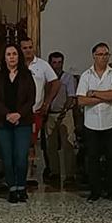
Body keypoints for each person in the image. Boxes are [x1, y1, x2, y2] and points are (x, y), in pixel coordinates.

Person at [0, 44, 37, 203]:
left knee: (21, 156)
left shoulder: (27, 75)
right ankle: (12, 188)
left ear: (19, 57)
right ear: (4, 57)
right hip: (3, 123)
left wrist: (18, 114)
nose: (12, 57)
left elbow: (31, 98)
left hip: (22, 122)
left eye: (14, 54)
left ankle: (21, 186)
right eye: (8, 54)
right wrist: (7, 114)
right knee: (8, 157)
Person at [76, 42, 112, 202]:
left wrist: (94, 93)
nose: (103, 57)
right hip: (92, 123)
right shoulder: (86, 75)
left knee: (111, 158)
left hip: (111, 122)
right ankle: (95, 191)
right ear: (94, 56)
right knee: (93, 159)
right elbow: (81, 100)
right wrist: (103, 98)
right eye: (100, 54)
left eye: (106, 54)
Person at [20, 38, 59, 178]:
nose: (28, 50)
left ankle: (30, 175)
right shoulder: (16, 64)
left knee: (31, 143)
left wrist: (47, 103)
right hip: (18, 112)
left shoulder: (42, 65)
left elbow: (55, 83)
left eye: (30, 47)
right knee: (20, 144)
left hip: (35, 111)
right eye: (24, 48)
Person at [44, 51, 77, 184]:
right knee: (50, 145)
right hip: (49, 114)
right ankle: (54, 171)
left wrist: (65, 109)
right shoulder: (47, 78)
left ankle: (70, 174)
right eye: (54, 62)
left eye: (59, 62)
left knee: (68, 144)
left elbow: (71, 96)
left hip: (65, 114)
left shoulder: (68, 78)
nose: (57, 65)